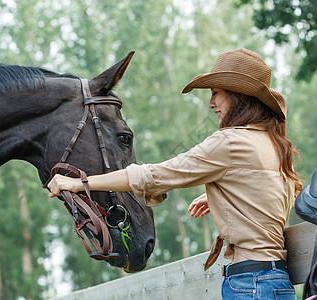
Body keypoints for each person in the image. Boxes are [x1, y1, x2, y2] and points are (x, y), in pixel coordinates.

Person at [48, 48, 301, 299]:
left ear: (238, 96)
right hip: (277, 281)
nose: (211, 103)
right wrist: (223, 197)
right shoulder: (275, 144)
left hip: (249, 284)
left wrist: (80, 183)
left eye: (215, 93)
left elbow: (154, 175)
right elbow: (278, 191)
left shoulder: (230, 142)